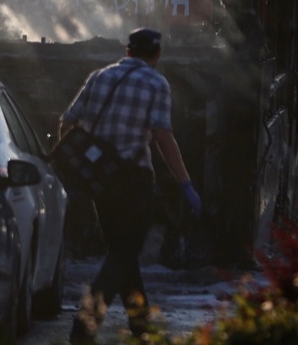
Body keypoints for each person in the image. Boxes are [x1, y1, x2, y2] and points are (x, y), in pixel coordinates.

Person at [59, 28, 200, 342]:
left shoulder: (100, 76)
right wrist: (185, 184)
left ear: (127, 51)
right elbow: (163, 136)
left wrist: (82, 167)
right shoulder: (156, 83)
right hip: (134, 181)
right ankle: (84, 325)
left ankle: (141, 327)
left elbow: (67, 122)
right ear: (157, 55)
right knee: (124, 253)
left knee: (122, 253)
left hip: (101, 182)